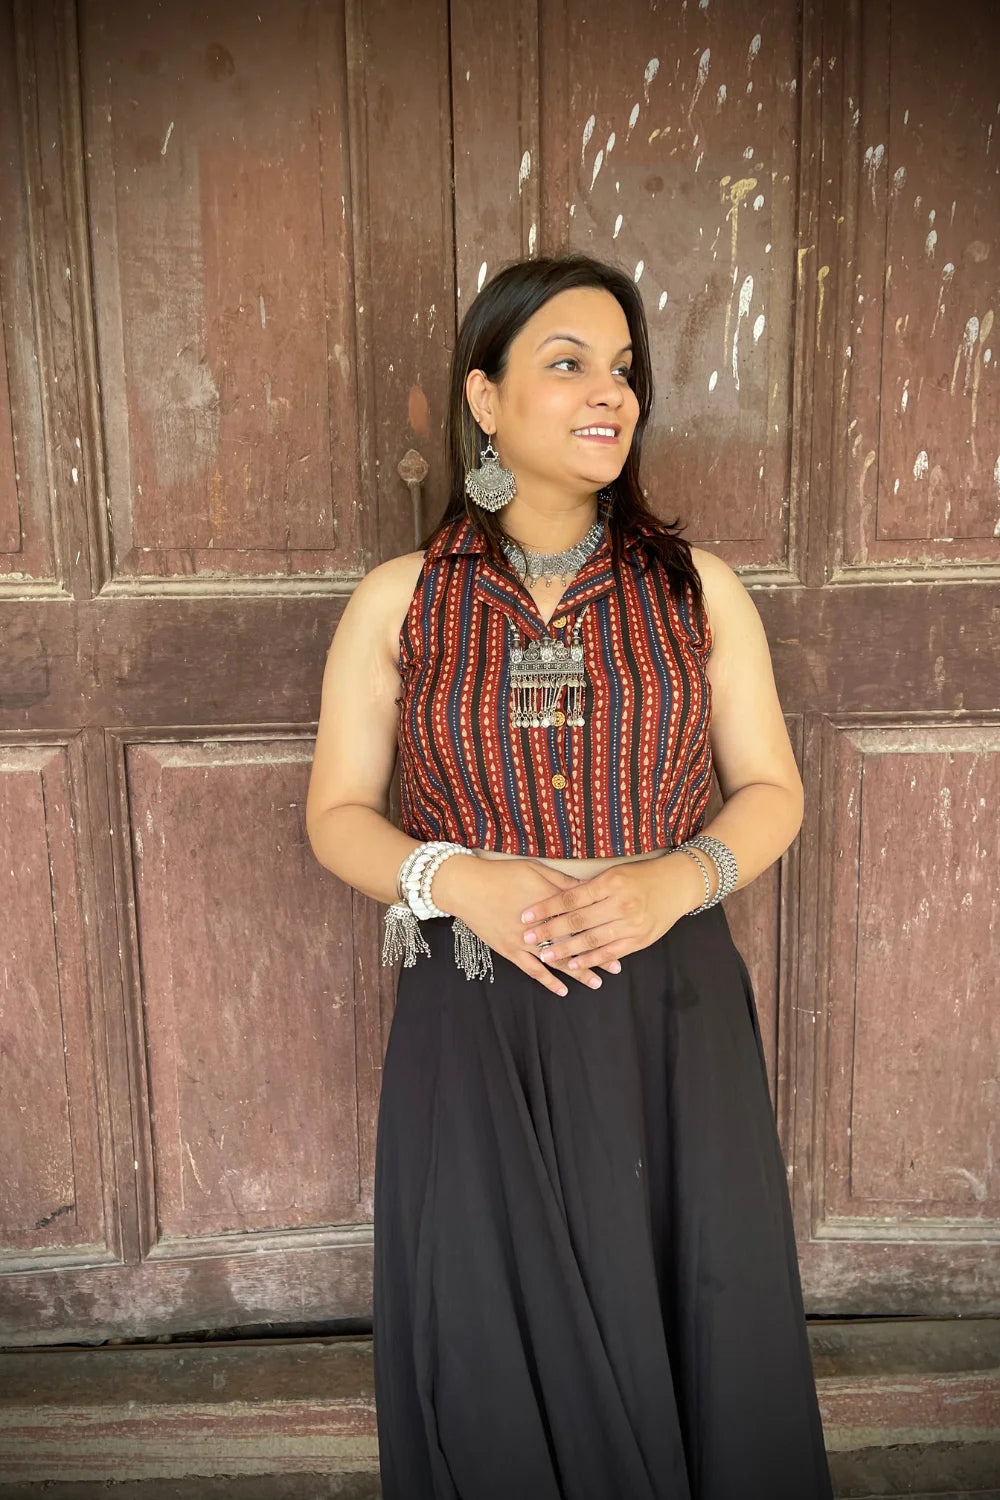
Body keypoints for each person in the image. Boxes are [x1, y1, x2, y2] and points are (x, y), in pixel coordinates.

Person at [306, 253, 834, 1499]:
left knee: (699, 1312)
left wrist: (675, 880)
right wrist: (459, 881)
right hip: (475, 1016)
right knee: (490, 1334)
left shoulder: (694, 591)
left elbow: (772, 789)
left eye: (625, 371)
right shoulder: (401, 601)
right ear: (483, 399)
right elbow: (335, 817)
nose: (612, 394)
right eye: (568, 364)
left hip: (669, 1014)